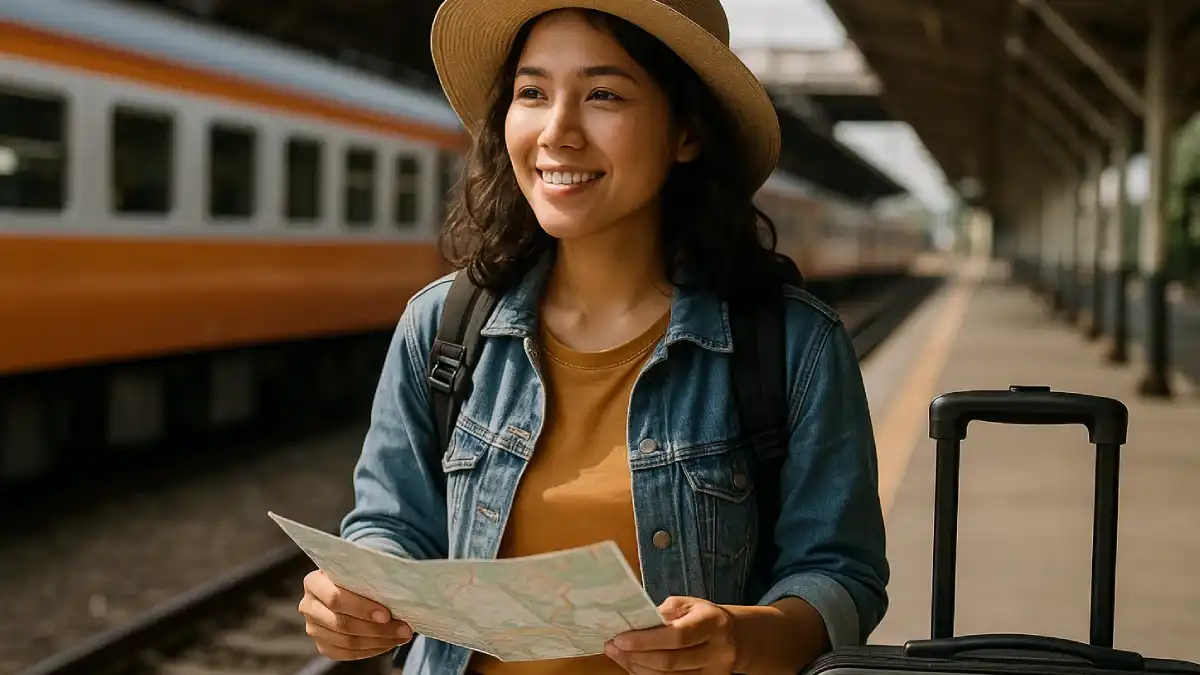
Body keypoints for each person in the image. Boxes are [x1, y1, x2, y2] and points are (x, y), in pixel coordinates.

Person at [297, 0, 889, 673]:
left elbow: (841, 572)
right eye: (532, 93)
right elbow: (393, 522)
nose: (558, 131)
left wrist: (750, 636)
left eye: (603, 94)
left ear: (687, 132)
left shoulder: (792, 345)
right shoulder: (442, 327)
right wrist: (354, 597)